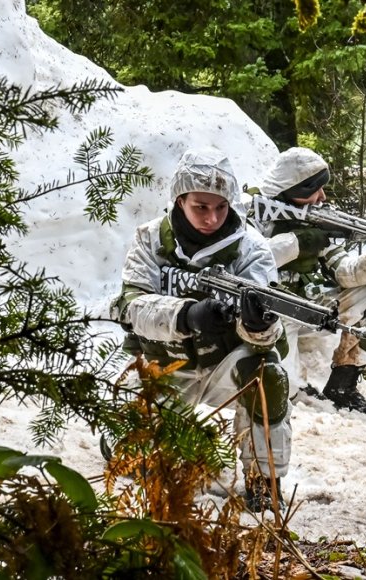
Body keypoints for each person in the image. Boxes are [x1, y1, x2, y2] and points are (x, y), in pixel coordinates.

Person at [110, 146, 291, 511]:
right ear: (179, 201)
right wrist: (187, 315)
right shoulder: (150, 240)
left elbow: (272, 336)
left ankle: (264, 479)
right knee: (130, 463)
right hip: (164, 364)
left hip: (223, 365)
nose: (211, 218)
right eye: (200, 207)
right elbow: (129, 306)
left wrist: (257, 325)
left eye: (221, 207)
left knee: (267, 372)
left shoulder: (250, 248)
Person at [253, 147, 366, 419]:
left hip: (310, 308)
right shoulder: (255, 220)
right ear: (290, 189)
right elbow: (252, 261)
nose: (322, 197)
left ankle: (342, 388)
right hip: (271, 316)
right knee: (284, 392)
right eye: (313, 190)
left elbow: (345, 272)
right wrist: (298, 242)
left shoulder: (315, 218)